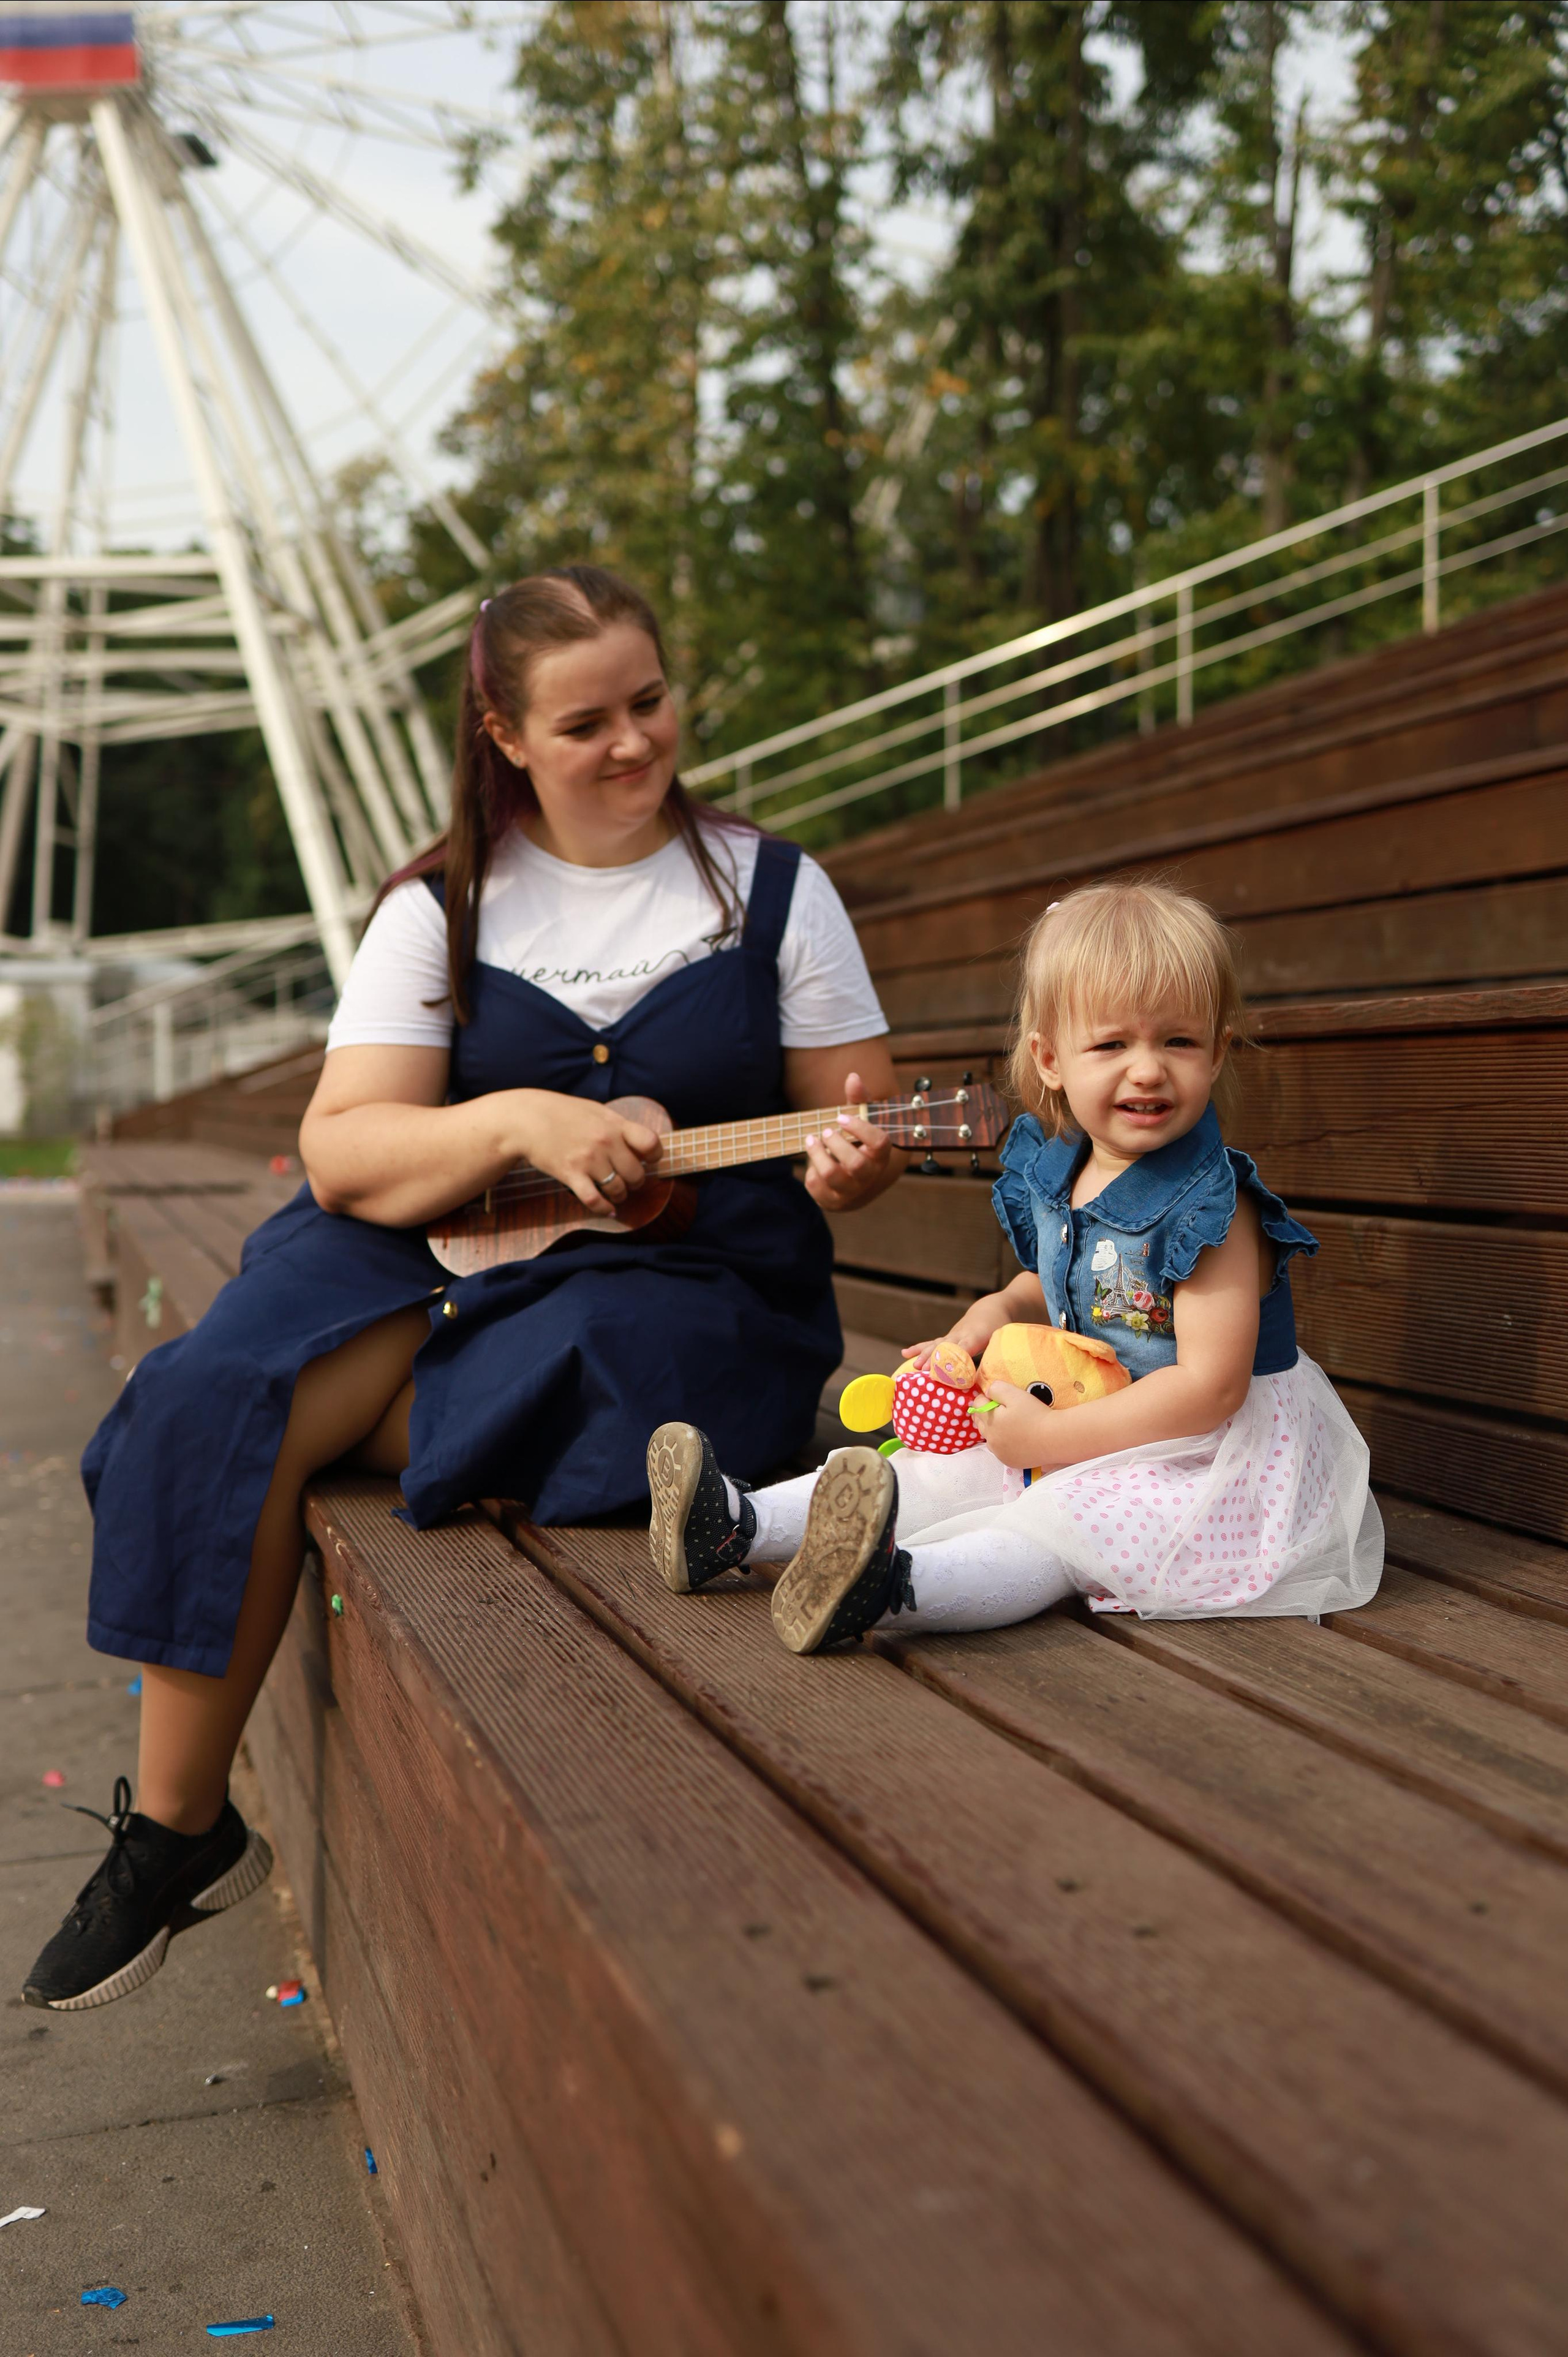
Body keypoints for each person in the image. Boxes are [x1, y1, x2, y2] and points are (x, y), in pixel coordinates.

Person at [26, 564, 900, 2010]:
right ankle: (180, 1826)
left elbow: (840, 1121)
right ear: (499, 732)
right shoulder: (441, 905)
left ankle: (363, 1429)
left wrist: (854, 1171)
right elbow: (347, 1148)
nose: (631, 742)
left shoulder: (773, 892)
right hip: (417, 1235)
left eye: (649, 700)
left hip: (678, 1266)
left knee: (617, 1366)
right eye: (584, 722)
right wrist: (513, 1123)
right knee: (207, 1387)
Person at [647, 878, 1383, 1653]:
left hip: (1201, 1461)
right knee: (943, 1470)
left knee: (1057, 1528)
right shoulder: (1060, 1166)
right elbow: (1068, 1284)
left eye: (1177, 1041)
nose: (1146, 1070)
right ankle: (737, 1526)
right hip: (1085, 1417)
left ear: (1217, 1050)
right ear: (1051, 1058)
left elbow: (1211, 1388)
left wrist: (1048, 1443)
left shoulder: (1212, 1209)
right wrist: (999, 1309)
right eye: (1112, 1044)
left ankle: (889, 1588)